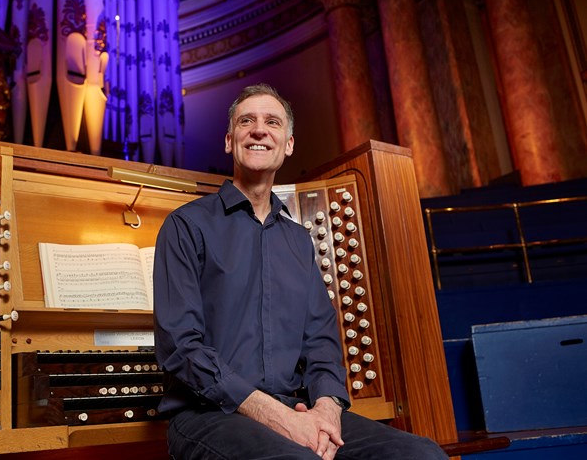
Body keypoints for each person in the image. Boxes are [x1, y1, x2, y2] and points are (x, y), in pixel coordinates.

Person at [153, 83, 448, 459]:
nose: (259, 130)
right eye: (247, 121)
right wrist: (276, 416)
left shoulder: (298, 240)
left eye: (272, 122)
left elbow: (321, 346)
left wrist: (326, 411)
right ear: (230, 141)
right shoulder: (186, 226)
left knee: (423, 456)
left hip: (299, 410)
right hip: (209, 415)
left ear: (288, 143)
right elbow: (181, 348)